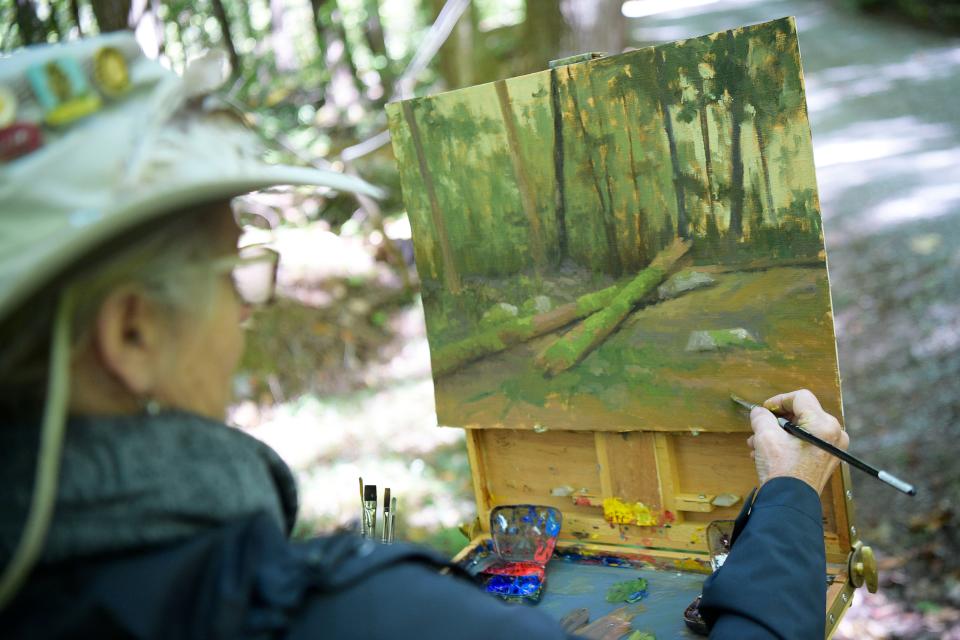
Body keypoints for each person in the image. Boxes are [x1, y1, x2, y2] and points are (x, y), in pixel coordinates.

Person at [0, 35, 849, 639]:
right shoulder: (339, 615)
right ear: (132, 331)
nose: (247, 311)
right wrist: (789, 501)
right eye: (233, 276)